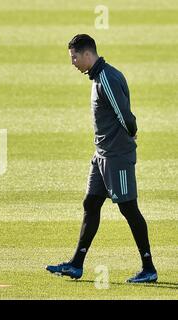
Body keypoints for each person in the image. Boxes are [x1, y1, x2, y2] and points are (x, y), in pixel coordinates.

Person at [46, 34, 158, 283]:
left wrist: (131, 136)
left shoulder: (106, 78)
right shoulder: (98, 77)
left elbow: (126, 117)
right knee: (91, 204)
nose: (72, 62)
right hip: (101, 157)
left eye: (74, 57)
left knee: (129, 209)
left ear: (87, 54)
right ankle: (76, 264)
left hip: (117, 157)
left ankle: (149, 268)